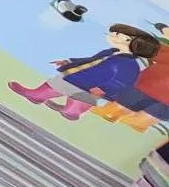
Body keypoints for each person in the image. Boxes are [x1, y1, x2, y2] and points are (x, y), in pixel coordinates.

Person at [9, 25, 160, 121]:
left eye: (116, 34)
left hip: (94, 87)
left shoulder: (129, 65)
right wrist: (69, 61)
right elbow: (90, 60)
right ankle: (36, 96)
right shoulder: (110, 52)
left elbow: (122, 83)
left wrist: (104, 90)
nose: (111, 35)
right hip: (78, 77)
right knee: (55, 84)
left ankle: (72, 112)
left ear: (130, 41)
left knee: (80, 100)